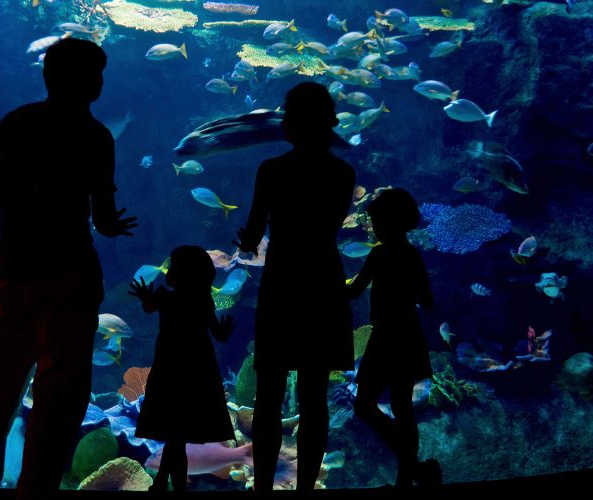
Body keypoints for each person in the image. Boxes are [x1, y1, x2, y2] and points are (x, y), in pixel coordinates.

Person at [0, 38, 137, 500]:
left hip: (16, 267)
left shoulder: (15, 124)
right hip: (71, 272)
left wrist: (28, 208)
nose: (98, 83)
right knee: (62, 389)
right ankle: (37, 488)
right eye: (95, 74)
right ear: (84, 81)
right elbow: (103, 218)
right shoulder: (96, 137)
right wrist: (113, 228)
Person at [233, 81, 356, 491]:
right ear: (329, 125)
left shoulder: (272, 170)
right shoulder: (342, 173)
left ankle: (264, 489)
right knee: (314, 395)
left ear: (289, 125)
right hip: (322, 280)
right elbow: (331, 226)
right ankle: (305, 491)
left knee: (268, 394)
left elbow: (252, 236)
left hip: (282, 283)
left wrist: (247, 242)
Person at [346, 188, 442, 493]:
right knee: (402, 408)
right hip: (408, 335)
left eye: (376, 222)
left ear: (391, 221)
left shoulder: (379, 253)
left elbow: (354, 290)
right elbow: (427, 301)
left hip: (387, 336)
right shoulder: (412, 255)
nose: (373, 227)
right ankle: (408, 476)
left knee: (364, 406)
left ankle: (410, 471)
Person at [129, 245, 235, 492]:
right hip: (198, 370)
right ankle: (169, 485)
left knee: (175, 434)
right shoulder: (203, 299)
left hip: (170, 368)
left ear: (180, 272)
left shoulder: (167, 297)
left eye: (173, 266)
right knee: (179, 434)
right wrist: (225, 330)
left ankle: (163, 484)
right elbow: (217, 333)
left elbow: (149, 307)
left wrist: (146, 297)